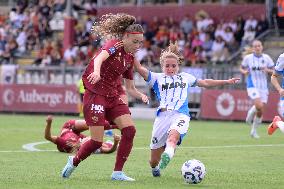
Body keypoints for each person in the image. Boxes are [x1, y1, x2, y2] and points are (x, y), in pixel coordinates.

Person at [61, 13, 149, 181]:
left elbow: (130, 88)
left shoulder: (129, 58)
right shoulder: (115, 44)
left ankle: (117, 173)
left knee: (129, 130)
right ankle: (74, 160)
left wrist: (140, 95)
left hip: (112, 96)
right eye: (135, 41)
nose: (138, 46)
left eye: (140, 42)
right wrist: (96, 71)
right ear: (126, 37)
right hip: (96, 95)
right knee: (96, 141)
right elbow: (100, 57)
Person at [134, 42, 240, 177]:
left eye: (174, 66)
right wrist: (130, 52)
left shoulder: (186, 77)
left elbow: (205, 83)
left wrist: (226, 81)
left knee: (172, 139)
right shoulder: (156, 78)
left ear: (178, 66)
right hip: (162, 117)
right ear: (162, 66)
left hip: (181, 115)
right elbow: (139, 68)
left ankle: (168, 154)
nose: (170, 68)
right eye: (167, 66)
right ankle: (156, 167)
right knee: (153, 160)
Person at [239, 40, 274, 138]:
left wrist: (267, 70)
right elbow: (241, 68)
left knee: (260, 111)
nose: (257, 47)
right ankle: (250, 113)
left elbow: (274, 71)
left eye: (259, 46)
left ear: (262, 47)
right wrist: (244, 72)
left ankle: (253, 131)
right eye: (255, 46)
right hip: (252, 85)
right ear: (253, 48)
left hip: (263, 87)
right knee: (258, 105)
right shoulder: (248, 58)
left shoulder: (267, 58)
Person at [44, 115, 120, 154]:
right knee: (95, 127)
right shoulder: (91, 147)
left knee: (92, 124)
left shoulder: (66, 143)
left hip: (69, 127)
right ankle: (120, 125)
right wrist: (115, 143)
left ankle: (118, 124)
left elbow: (48, 137)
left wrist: (49, 123)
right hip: (78, 138)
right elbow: (109, 150)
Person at [268, 52, 284, 135]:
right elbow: (273, 77)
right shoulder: (283, 57)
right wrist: (280, 89)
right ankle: (277, 122)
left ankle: (277, 123)